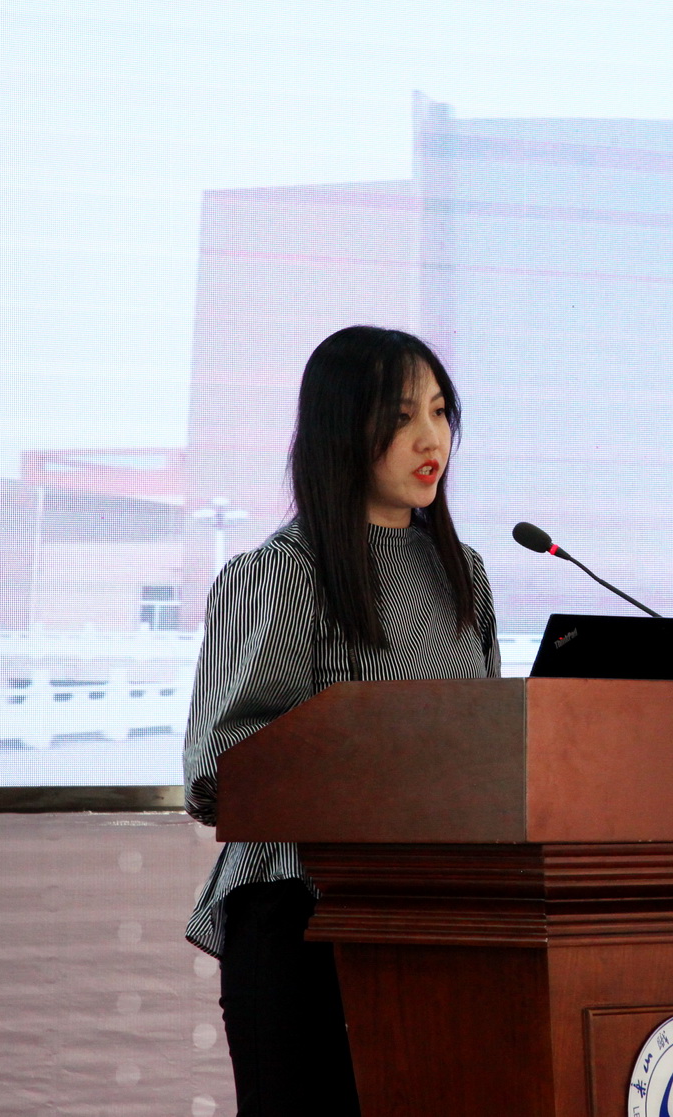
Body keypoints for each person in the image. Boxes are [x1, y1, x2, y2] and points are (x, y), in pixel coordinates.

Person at [181, 326, 500, 1116]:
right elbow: (220, 771)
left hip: (435, 920)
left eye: (440, 411)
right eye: (400, 416)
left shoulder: (463, 574)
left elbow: (494, 746)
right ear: (340, 429)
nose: (431, 438)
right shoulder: (286, 570)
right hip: (302, 919)